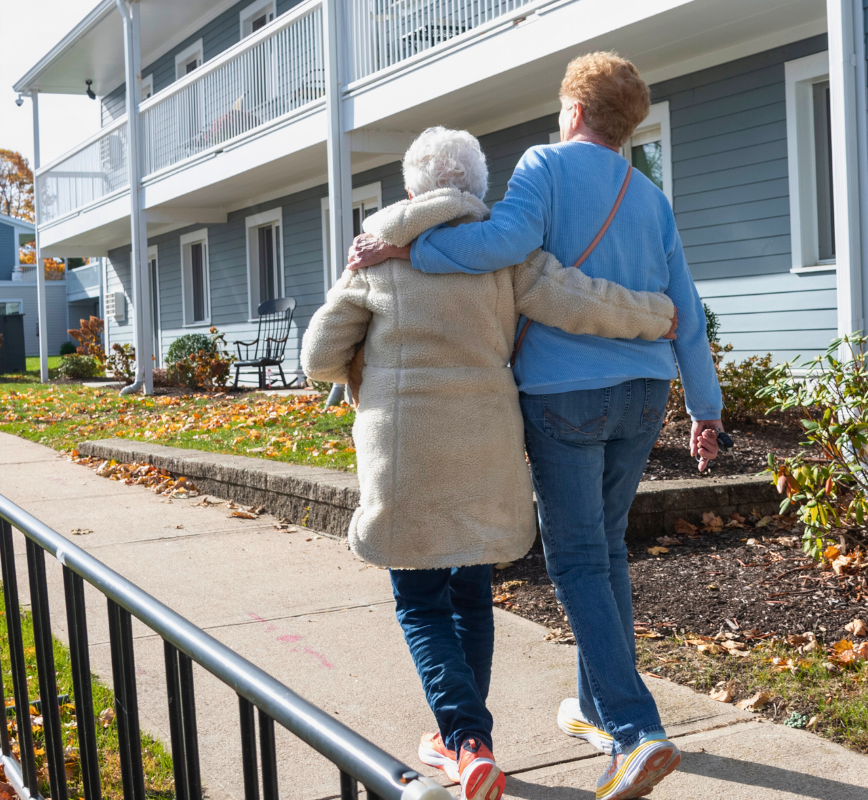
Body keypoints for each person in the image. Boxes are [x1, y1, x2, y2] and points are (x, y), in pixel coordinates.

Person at [345, 52, 723, 800]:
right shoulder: (651, 197)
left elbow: (502, 246)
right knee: (606, 551)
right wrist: (705, 409)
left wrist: (409, 247)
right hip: (645, 392)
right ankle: (591, 705)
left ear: (575, 111)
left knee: (578, 559)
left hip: (565, 394)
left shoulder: (544, 165)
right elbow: (688, 307)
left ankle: (634, 729)